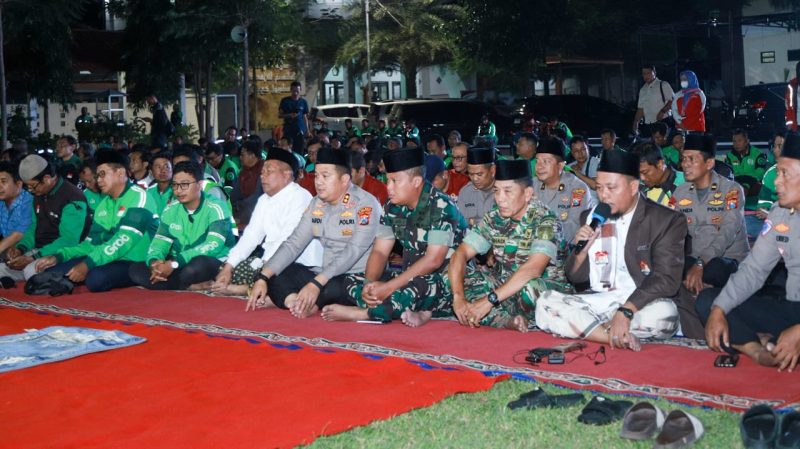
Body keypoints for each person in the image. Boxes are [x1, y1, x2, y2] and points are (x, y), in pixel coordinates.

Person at [535, 149, 703, 350]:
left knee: (663, 314)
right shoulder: (591, 218)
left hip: (643, 303)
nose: (603, 195)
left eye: (611, 188)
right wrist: (581, 252)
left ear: (633, 187)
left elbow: (666, 279)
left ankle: (589, 328)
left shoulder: (665, 220)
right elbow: (575, 277)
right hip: (602, 300)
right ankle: (610, 336)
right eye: (598, 187)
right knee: (545, 303)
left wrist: (626, 311)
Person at [321, 148, 467, 327]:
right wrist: (370, 285)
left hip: (444, 281)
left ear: (416, 181)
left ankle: (365, 313)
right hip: (408, 276)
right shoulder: (392, 207)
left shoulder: (442, 206)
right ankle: (392, 306)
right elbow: (381, 252)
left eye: (394, 181)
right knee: (352, 280)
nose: (388, 187)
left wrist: (389, 288)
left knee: (417, 287)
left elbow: (434, 261)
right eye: (387, 180)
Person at [696, 131, 800, 370]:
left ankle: (772, 342)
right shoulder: (779, 214)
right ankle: (760, 351)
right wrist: (719, 309)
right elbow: (754, 269)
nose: (776, 181)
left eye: (785, 173)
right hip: (791, 306)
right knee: (708, 302)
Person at [246, 148, 381, 318]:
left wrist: (316, 283)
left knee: (334, 289)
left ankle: (302, 299)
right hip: (323, 275)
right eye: (316, 176)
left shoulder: (365, 205)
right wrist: (263, 277)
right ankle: (296, 302)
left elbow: (353, 250)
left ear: (345, 179)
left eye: (325, 176)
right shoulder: (316, 204)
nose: (318, 182)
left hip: (354, 277)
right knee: (275, 271)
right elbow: (293, 244)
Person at [448, 159, 570, 332]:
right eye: (496, 191)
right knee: (453, 271)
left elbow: (533, 269)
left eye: (508, 192)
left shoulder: (546, 220)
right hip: (503, 289)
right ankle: (507, 320)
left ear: (527, 194)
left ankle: (492, 314)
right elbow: (461, 253)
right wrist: (458, 298)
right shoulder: (494, 217)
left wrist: (489, 300)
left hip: (539, 288)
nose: (500, 199)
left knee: (532, 288)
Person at [34, 151, 158, 292]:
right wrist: (60, 256)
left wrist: (88, 264)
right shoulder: (103, 205)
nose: (98, 180)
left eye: (103, 174)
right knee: (50, 272)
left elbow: (123, 241)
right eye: (97, 175)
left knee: (95, 279)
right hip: (108, 257)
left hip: (136, 261)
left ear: (121, 173)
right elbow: (90, 244)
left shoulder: (140, 197)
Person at [210, 150, 322, 297]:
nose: (263, 176)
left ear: (287, 174)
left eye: (269, 172)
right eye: (262, 172)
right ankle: (245, 285)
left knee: (275, 276)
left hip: (299, 264)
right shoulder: (264, 200)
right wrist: (228, 267)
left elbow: (287, 241)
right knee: (227, 268)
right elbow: (251, 235)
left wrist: (264, 268)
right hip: (268, 258)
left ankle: (244, 289)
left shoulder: (301, 197)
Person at [129, 161, 235, 290]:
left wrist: (174, 263)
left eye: (184, 185)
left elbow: (213, 245)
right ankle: (189, 286)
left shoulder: (216, 207)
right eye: (174, 185)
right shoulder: (171, 209)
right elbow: (159, 242)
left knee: (194, 268)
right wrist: (154, 262)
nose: (178, 190)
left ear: (199, 185)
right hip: (179, 262)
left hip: (213, 260)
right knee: (135, 270)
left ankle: (179, 282)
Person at [671, 133, 748, 294]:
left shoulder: (732, 190)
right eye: (683, 158)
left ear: (709, 163)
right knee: (668, 265)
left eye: (691, 159)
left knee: (714, 270)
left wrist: (701, 264)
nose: (685, 164)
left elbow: (728, 231)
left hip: (728, 260)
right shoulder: (680, 192)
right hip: (696, 261)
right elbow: (669, 227)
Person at [0, 156, 91, 282]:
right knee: (3, 268)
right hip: (38, 250)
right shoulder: (39, 194)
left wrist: (34, 257)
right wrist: (21, 248)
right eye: (28, 187)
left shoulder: (72, 197)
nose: (30, 190)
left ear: (47, 179)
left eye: (33, 186)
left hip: (62, 252)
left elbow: (69, 240)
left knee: (31, 270)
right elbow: (33, 228)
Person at [533, 137, 594, 243]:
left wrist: (541, 237)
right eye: (537, 161)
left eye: (546, 161)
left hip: (564, 251)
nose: (539, 167)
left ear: (560, 166)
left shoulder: (577, 189)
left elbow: (574, 227)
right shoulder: (532, 185)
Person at [726, 129, 769, 240]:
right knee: (731, 189)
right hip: (737, 184)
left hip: (754, 184)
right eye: (734, 141)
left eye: (739, 140)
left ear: (747, 141)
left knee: (761, 188)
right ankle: (731, 219)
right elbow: (729, 174)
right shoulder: (730, 156)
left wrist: (746, 185)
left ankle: (759, 217)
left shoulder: (758, 154)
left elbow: (758, 174)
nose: (736, 144)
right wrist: (740, 184)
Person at [633, 142, 684, 206]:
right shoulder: (638, 187)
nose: (642, 178)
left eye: (645, 172)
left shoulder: (687, 185)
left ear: (660, 164)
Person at [0, 161, 33, 257]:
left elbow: (18, 234)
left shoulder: (29, 203)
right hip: (7, 248)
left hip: (25, 251)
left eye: (3, 181)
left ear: (18, 184)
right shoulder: (2, 201)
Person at [457, 147, 496, 227]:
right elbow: (461, 224)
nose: (475, 179)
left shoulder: (504, 192)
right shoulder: (466, 192)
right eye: (471, 174)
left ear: (492, 170)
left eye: (479, 174)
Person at [633, 64, 674, 138]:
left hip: (663, 122)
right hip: (648, 125)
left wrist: (662, 111)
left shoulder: (663, 84)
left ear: (654, 73)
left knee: (663, 146)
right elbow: (641, 108)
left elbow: (673, 101)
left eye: (648, 73)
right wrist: (636, 122)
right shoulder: (643, 90)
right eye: (644, 74)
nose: (646, 76)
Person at [230, 141, 264, 227]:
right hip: (240, 213)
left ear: (252, 156)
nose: (240, 158)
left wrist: (240, 215)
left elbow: (257, 198)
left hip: (255, 217)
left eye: (242, 155)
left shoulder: (264, 171)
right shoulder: (243, 172)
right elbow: (234, 195)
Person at [757, 131, 786, 218]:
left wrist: (773, 215)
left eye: (780, 146)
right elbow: (763, 202)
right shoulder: (770, 175)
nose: (775, 150)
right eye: (774, 146)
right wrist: (764, 209)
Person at [279, 81, 310, 154]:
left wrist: (307, 130)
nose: (295, 93)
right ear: (291, 90)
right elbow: (280, 115)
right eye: (294, 91)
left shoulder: (303, 102)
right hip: (288, 130)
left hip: (300, 130)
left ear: (300, 90)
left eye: (297, 91)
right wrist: (289, 115)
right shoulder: (285, 101)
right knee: (288, 151)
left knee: (300, 151)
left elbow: (305, 116)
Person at [566, 135, 599, 201]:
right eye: (576, 151)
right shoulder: (569, 167)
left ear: (588, 149)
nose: (580, 153)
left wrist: (576, 173)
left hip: (593, 204)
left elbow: (595, 185)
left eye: (583, 149)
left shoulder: (596, 162)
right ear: (572, 153)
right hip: (575, 203)